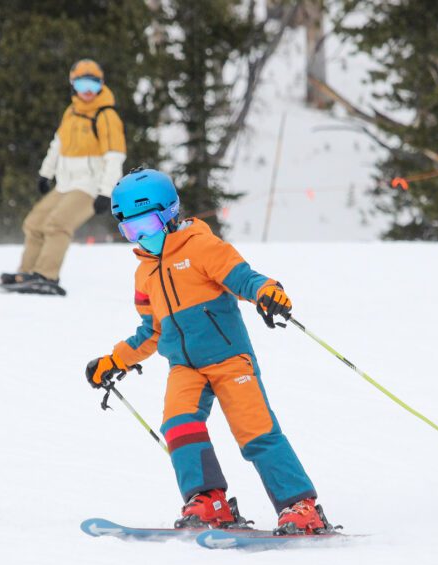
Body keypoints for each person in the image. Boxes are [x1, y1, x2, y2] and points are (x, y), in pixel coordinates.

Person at [84, 168, 328, 534]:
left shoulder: (201, 246)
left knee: (256, 431)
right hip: (185, 367)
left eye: (147, 224)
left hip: (230, 359)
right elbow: (151, 331)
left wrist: (266, 290)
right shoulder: (144, 274)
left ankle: (300, 505)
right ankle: (210, 501)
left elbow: (243, 276)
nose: (142, 237)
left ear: (169, 215)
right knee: (178, 424)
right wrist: (116, 360)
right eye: (131, 230)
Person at [0, 59, 126, 296]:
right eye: (81, 84)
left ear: (101, 85)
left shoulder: (107, 116)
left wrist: (106, 192)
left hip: (89, 186)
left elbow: (115, 157)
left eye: (93, 84)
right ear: (73, 85)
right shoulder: (72, 111)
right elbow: (57, 145)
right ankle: (27, 272)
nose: (87, 91)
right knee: (34, 223)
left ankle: (47, 275)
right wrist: (45, 173)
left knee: (57, 224)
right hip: (65, 183)